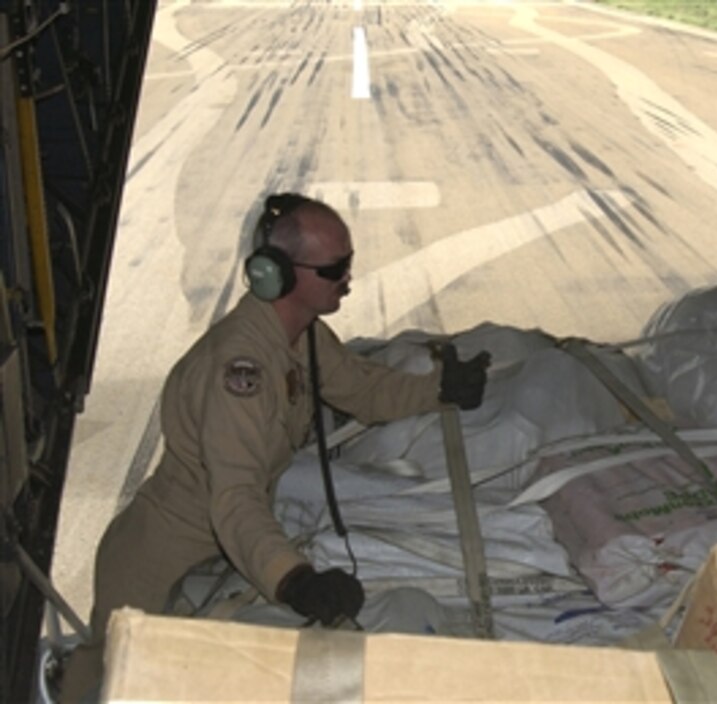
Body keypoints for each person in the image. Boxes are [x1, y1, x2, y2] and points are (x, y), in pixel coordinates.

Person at [60, 193, 489, 701]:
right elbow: (235, 495)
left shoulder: (300, 337)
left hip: (224, 550)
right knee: (111, 685)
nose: (348, 279)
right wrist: (294, 581)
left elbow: (363, 388)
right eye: (334, 269)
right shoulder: (240, 369)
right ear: (278, 275)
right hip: (162, 559)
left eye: (348, 264)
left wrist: (440, 389)